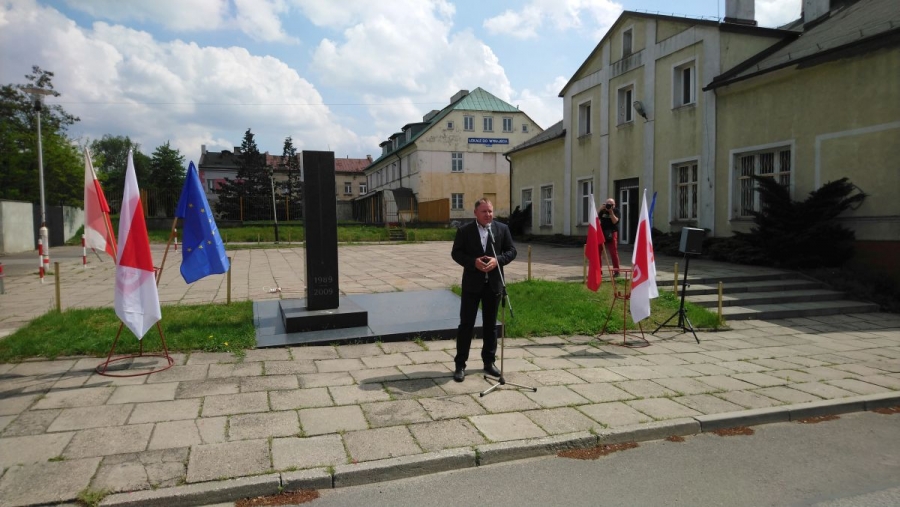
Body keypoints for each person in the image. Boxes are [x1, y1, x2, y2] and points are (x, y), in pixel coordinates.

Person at [450, 198, 517, 382]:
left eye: (490, 211)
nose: (488, 215)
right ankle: (460, 364)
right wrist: (473, 262)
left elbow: (512, 251)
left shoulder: (501, 229)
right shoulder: (464, 231)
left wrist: (498, 260)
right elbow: (456, 253)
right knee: (466, 325)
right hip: (472, 285)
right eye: (484, 211)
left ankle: (489, 362)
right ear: (475, 213)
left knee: (490, 326)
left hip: (493, 285)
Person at [599, 197, 621, 276]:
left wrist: (611, 212)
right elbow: (596, 219)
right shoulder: (603, 211)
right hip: (602, 232)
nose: (609, 206)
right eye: (607, 204)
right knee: (598, 251)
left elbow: (615, 221)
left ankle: (616, 271)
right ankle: (599, 270)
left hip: (612, 232)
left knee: (613, 252)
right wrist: (600, 209)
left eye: (611, 204)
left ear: (614, 205)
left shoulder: (616, 211)